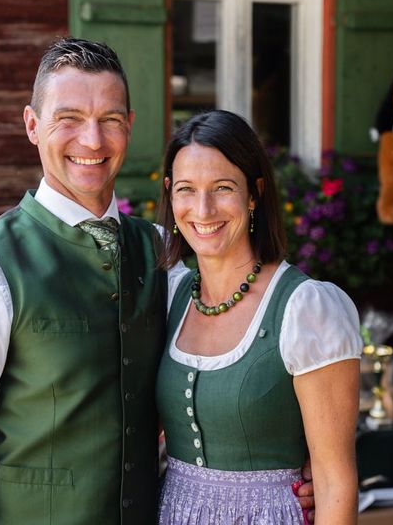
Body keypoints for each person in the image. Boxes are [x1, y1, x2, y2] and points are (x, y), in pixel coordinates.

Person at [0, 39, 315, 524]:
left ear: (130, 127)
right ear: (32, 126)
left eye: (110, 120)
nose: (93, 141)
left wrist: (300, 464)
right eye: (69, 119)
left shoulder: (168, 255)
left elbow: (234, 373)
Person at [156, 110, 361, 524]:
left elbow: (334, 482)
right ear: (169, 194)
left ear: (254, 194)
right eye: (186, 190)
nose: (203, 208)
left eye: (223, 188)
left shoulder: (306, 308)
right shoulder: (172, 294)